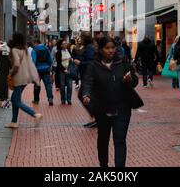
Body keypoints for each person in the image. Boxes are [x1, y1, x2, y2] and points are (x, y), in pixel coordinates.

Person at [81, 37, 141, 168]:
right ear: (101, 49)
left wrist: (129, 79)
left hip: (122, 108)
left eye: (112, 48)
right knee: (103, 139)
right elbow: (87, 82)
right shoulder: (93, 65)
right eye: (107, 48)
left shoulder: (122, 62)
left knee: (119, 140)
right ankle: (103, 164)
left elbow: (135, 81)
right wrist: (86, 94)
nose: (110, 51)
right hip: (102, 109)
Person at [6, 33, 43, 129]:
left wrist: (11, 73)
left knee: (15, 100)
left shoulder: (14, 50)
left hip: (19, 77)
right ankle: (13, 122)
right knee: (16, 99)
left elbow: (17, 64)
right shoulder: (24, 50)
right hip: (25, 78)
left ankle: (35, 114)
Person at [75, 33, 98, 128]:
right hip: (87, 75)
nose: (80, 40)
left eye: (81, 38)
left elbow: (91, 62)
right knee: (87, 95)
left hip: (88, 76)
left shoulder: (89, 48)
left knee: (82, 95)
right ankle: (95, 116)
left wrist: (80, 63)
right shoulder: (88, 47)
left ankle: (95, 116)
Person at [31, 39, 54, 106]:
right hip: (46, 69)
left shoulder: (34, 50)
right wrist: (49, 66)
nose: (33, 45)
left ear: (35, 43)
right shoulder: (46, 49)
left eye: (33, 43)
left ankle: (36, 100)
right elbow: (50, 59)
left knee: (37, 85)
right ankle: (50, 99)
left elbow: (33, 61)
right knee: (48, 85)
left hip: (37, 70)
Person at [56, 40, 73, 105]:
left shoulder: (68, 51)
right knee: (62, 86)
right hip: (62, 71)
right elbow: (58, 63)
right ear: (61, 45)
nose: (65, 44)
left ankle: (69, 99)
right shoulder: (58, 53)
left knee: (70, 85)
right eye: (64, 43)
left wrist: (72, 60)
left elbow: (71, 59)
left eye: (66, 43)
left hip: (69, 70)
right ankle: (63, 99)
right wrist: (64, 69)